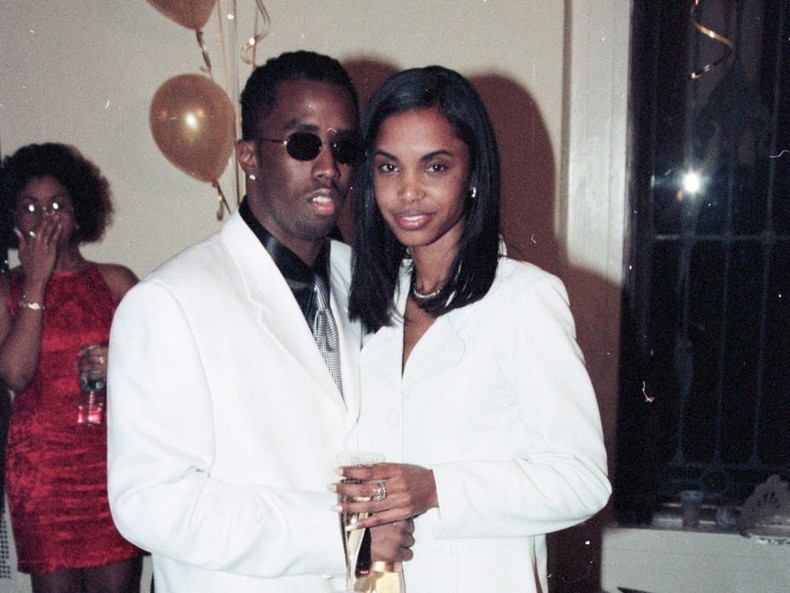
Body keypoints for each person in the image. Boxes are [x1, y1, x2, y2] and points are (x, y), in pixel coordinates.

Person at [106, 50, 414, 593]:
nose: (328, 167)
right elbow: (152, 503)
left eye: (344, 147)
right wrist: (342, 534)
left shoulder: (364, 278)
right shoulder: (170, 302)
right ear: (248, 155)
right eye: (302, 144)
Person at [335, 66, 612, 593]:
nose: (408, 191)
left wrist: (437, 489)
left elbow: (582, 480)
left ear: (474, 173)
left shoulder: (524, 298)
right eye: (389, 167)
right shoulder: (368, 297)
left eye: (435, 166)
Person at [0, 143, 142, 593]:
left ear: (79, 214)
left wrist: (120, 365)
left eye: (57, 204)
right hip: (42, 474)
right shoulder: (5, 289)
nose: (45, 216)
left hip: (110, 467)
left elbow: (163, 376)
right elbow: (16, 376)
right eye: (30, 206)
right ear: (13, 219)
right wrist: (37, 279)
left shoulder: (116, 281)